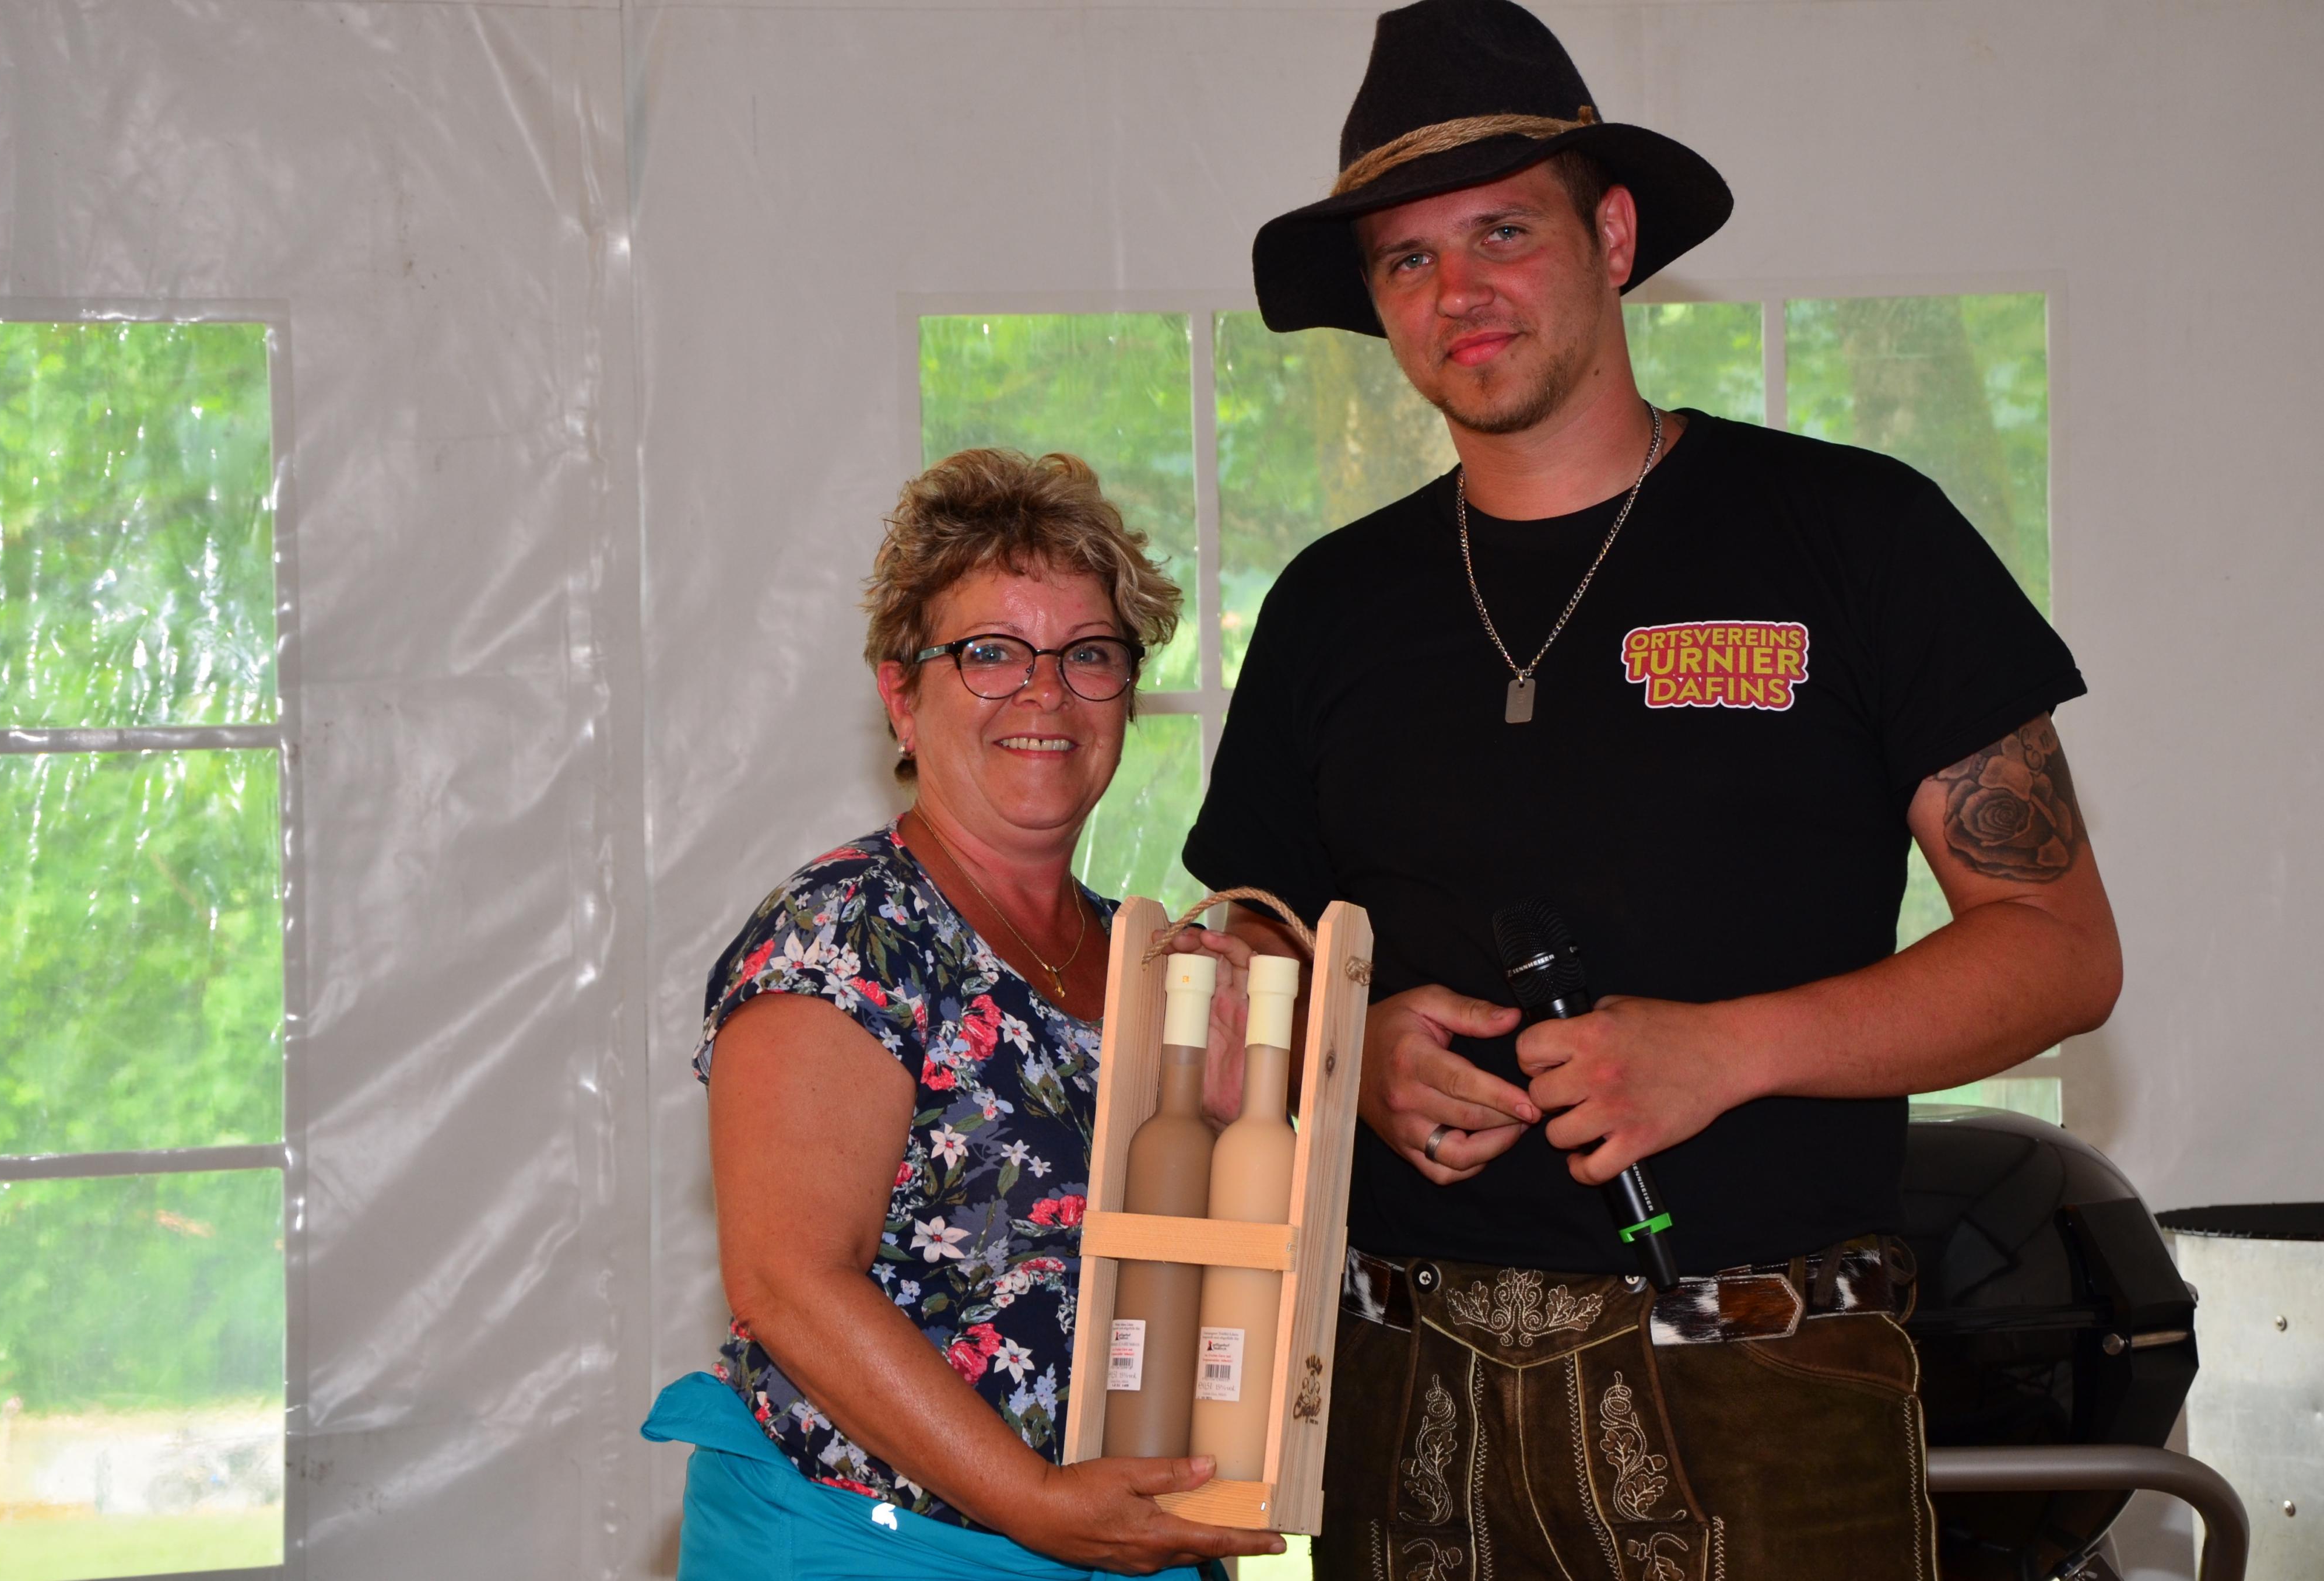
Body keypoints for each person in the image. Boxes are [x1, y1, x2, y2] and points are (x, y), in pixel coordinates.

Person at [1178, 3, 2124, 1578]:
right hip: (1400, 1397)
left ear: (1612, 237)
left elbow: (2059, 953)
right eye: (1407, 259)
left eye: (1502, 230)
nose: (1457, 291)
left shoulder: (1857, 536)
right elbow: (1248, 940)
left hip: (1761, 1386)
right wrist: (1343, 1052)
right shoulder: (1330, 605)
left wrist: (1721, 1054)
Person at [643, 449, 1281, 1579]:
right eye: (989, 652)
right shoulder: (845, 928)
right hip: (867, 1548)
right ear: (901, 697)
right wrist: (1035, 1501)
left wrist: (1232, 1122)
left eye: (1088, 654)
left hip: (1108, 1542)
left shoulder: (1144, 957)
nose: (1045, 692)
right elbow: (790, 1281)